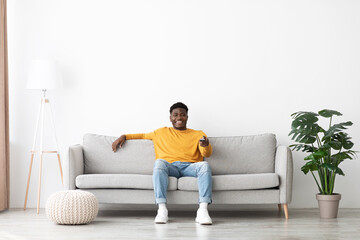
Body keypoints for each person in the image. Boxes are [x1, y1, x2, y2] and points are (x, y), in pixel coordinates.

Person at [112, 102, 213, 225]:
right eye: (175, 115)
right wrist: (124, 136)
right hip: (170, 167)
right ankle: (162, 209)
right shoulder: (160, 132)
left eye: (182, 115)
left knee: (205, 165)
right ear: (170, 118)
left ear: (187, 117)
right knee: (159, 163)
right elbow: (142, 135)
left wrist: (206, 145)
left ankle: (202, 210)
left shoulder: (198, 134)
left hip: (190, 167)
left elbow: (206, 154)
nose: (179, 118)